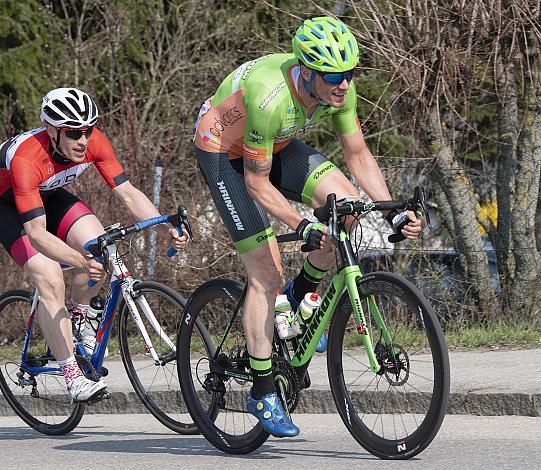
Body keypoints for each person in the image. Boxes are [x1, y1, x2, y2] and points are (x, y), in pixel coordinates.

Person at [193, 16, 423, 437]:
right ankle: (263, 391)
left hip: (273, 144)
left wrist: (391, 210)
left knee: (346, 208)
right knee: (266, 272)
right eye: (334, 76)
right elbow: (256, 182)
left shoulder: (341, 92)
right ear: (308, 71)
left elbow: (358, 156)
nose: (344, 84)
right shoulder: (269, 96)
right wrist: (301, 225)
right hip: (224, 153)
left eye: (350, 73)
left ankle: (301, 297)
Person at [0, 87, 188, 402]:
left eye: (88, 130)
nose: (83, 139)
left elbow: (128, 192)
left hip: (49, 196)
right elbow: (36, 233)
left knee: (100, 249)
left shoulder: (94, 141)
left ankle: (78, 315)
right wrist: (78, 261)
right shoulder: (26, 157)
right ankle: (73, 377)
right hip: (8, 208)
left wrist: (163, 224)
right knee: (49, 277)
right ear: (52, 131)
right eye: (74, 133)